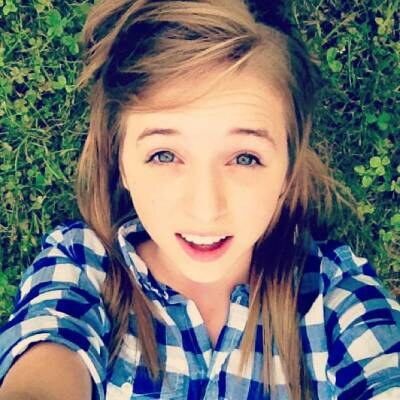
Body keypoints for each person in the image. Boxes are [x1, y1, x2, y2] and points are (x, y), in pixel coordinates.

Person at [0, 1, 399, 399]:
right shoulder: (83, 268)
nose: (205, 210)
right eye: (164, 155)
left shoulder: (332, 296)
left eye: (245, 158)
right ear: (122, 163)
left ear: (287, 171)